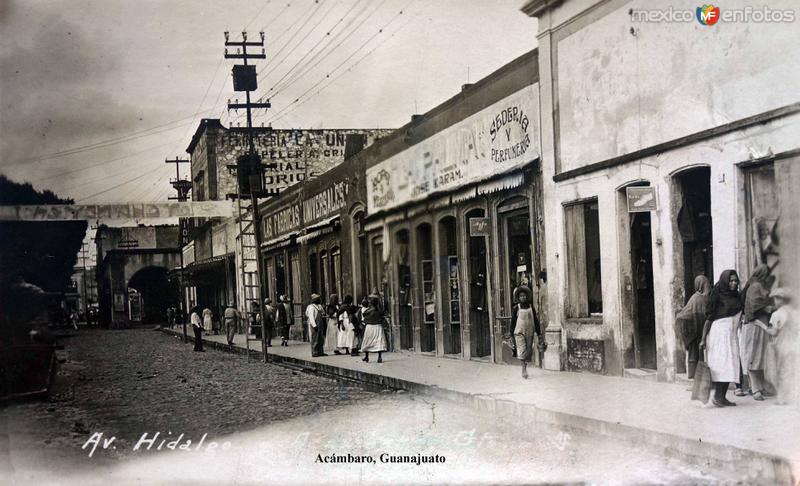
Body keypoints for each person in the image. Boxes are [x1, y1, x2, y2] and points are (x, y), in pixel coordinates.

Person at [700, 270, 742, 407]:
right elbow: (709, 318)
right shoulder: (717, 295)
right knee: (722, 365)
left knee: (732, 365)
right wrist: (702, 339)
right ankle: (718, 396)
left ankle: (721, 397)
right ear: (725, 281)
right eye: (731, 281)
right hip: (720, 335)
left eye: (735, 280)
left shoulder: (736, 296)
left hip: (731, 335)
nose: (734, 283)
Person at [739, 264, 774, 401]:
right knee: (753, 358)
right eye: (766, 273)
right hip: (754, 326)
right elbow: (754, 306)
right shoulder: (755, 287)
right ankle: (755, 389)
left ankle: (761, 387)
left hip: (761, 326)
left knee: (760, 358)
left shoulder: (759, 285)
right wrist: (767, 308)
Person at [766, 288, 798, 405]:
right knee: (793, 371)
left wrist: (766, 328)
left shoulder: (777, 314)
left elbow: (774, 332)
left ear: (780, 300)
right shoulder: (795, 313)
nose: (774, 301)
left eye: (775, 298)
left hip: (783, 345)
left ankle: (782, 398)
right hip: (795, 345)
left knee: (781, 372)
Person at [676, 275, 711, 380]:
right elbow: (682, 316)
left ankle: (700, 381)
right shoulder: (695, 298)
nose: (707, 286)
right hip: (697, 334)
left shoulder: (704, 297)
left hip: (701, 332)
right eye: (706, 284)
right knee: (696, 357)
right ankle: (697, 381)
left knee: (699, 357)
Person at [511, 286, 544, 379]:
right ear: (518, 297)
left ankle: (525, 365)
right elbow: (513, 323)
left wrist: (539, 334)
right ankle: (523, 369)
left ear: (526, 296)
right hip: (519, 332)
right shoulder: (516, 308)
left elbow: (536, 321)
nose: (523, 297)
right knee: (522, 350)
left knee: (528, 352)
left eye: (524, 296)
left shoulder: (531, 307)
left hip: (529, 332)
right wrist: (511, 335)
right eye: (521, 296)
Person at [360, 294, 388, 363]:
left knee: (368, 341)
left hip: (370, 327)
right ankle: (379, 357)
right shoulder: (379, 310)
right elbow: (382, 317)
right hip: (378, 327)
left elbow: (364, 315)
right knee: (379, 341)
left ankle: (367, 357)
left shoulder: (368, 311)